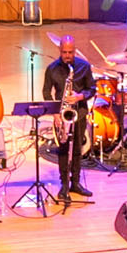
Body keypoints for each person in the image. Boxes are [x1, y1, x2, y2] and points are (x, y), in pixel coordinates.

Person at [43, 36, 97, 205]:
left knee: (77, 150)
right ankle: (64, 184)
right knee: (63, 150)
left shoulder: (84, 66)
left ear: (75, 50)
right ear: (60, 50)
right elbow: (46, 92)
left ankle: (75, 183)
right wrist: (55, 115)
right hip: (61, 115)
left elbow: (92, 89)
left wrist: (80, 96)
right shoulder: (52, 68)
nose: (67, 55)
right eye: (64, 52)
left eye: (70, 52)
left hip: (78, 113)